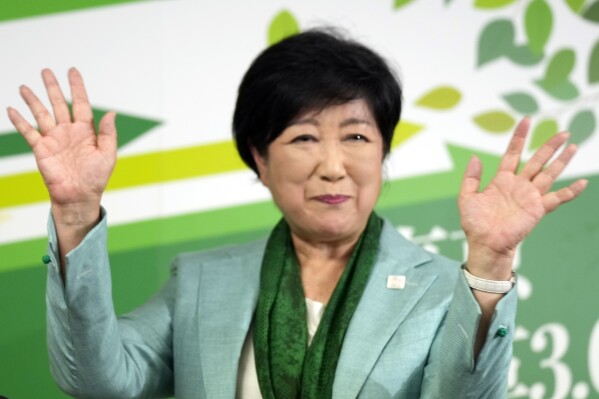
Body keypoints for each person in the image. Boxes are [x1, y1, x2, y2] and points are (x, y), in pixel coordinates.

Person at [6, 30, 587, 398]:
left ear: (384, 152)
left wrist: (489, 261)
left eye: (357, 136)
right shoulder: (202, 280)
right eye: (305, 138)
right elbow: (96, 381)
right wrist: (77, 212)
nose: (334, 166)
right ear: (259, 157)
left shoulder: (443, 289)